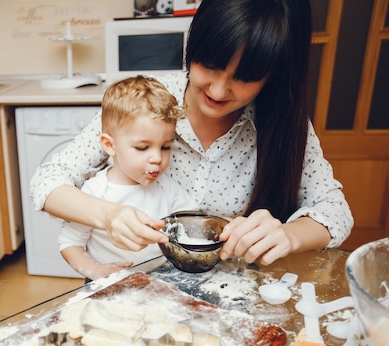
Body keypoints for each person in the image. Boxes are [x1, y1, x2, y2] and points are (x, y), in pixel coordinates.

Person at [30, 0, 353, 267]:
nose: (218, 89)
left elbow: (336, 211)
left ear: (273, 75)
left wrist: (288, 234)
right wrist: (109, 215)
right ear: (192, 46)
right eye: (210, 65)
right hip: (136, 282)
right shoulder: (148, 102)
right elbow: (46, 181)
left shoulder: (282, 122)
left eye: (245, 76)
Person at [58, 76, 198, 280]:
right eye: (142, 147)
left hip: (160, 281)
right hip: (107, 282)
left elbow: (192, 225)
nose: (157, 158)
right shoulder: (94, 192)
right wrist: (96, 271)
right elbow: (70, 243)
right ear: (109, 145)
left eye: (165, 147)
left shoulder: (167, 187)